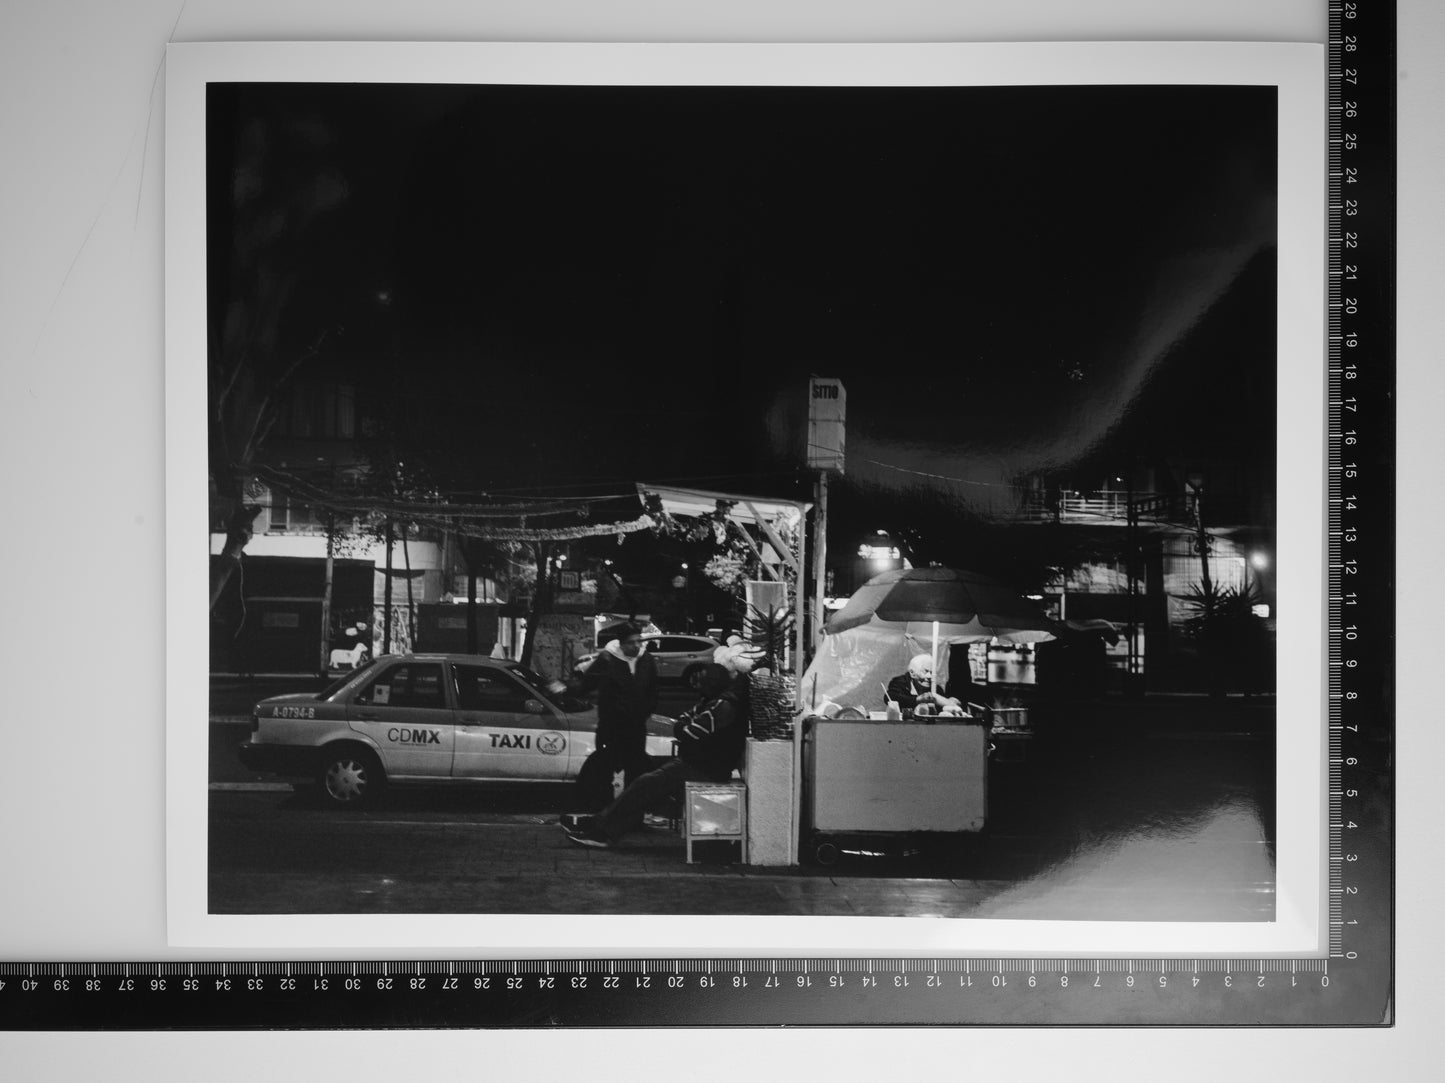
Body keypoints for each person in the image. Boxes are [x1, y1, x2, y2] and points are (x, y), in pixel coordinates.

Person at [563, 662, 745, 849]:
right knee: (645, 780)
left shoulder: (722, 705)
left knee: (646, 784)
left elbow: (689, 732)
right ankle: (604, 825)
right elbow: (684, 720)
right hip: (696, 763)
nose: (697, 684)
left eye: (701, 679)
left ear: (713, 681)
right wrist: (684, 726)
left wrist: (683, 727)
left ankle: (602, 830)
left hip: (704, 768)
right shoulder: (710, 701)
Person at [567, 621, 659, 783]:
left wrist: (645, 711)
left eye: (638, 641)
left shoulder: (646, 659)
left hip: (636, 726)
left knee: (635, 767)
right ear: (621, 644)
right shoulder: (607, 659)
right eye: (630, 642)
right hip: (611, 726)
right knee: (605, 765)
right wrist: (565, 690)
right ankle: (603, 797)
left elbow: (653, 689)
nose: (636, 646)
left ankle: (630, 798)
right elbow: (588, 683)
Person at [886, 652, 963, 714]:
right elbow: (889, 697)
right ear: (912, 673)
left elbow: (942, 709)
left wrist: (949, 703)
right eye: (925, 671)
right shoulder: (900, 683)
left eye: (932, 672)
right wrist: (917, 699)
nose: (930, 676)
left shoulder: (936, 689)